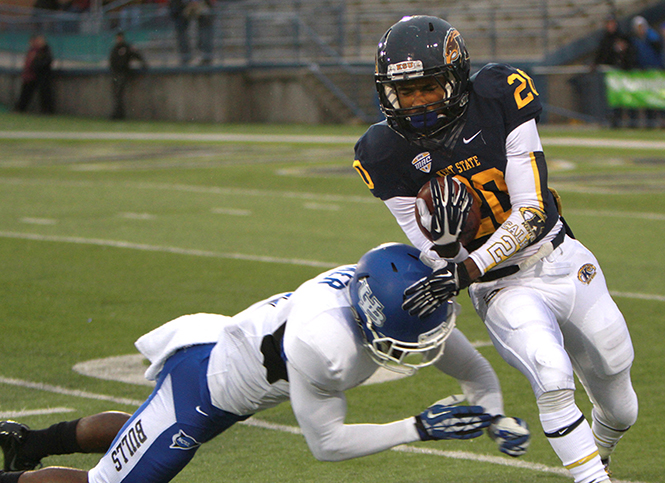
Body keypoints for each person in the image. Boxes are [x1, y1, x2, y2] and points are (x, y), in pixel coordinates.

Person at [353, 16, 638, 483]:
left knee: (620, 398)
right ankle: (593, 478)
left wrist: (465, 267)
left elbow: (529, 212)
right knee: (550, 376)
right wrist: (446, 250)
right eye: (406, 92)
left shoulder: (499, 96)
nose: (418, 101)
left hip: (558, 256)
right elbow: (426, 248)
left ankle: (601, 445)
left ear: (455, 77)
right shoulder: (382, 152)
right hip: (500, 289)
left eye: (428, 87)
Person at [0, 243, 531, 483]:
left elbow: (475, 374)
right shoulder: (324, 346)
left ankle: (31, 444)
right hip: (203, 389)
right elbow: (326, 445)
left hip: (232, 357)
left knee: (143, 424)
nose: (425, 344)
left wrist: (492, 414)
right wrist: (417, 427)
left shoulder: (399, 299)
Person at [109, 31, 147, 120]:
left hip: (122, 74)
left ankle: (119, 114)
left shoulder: (126, 47)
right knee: (116, 95)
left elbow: (136, 55)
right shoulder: (115, 48)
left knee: (119, 94)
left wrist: (144, 64)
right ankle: (117, 113)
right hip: (116, 74)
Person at [14, 34, 54, 114]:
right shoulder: (33, 50)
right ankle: (20, 109)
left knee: (44, 94)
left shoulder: (45, 50)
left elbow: (47, 61)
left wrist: (36, 65)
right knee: (25, 93)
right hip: (31, 75)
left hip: (42, 75)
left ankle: (47, 111)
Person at [168, 0, 214, 65]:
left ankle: (204, 58)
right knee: (182, 30)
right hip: (182, 5)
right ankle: (187, 58)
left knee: (204, 30)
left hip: (200, 5)